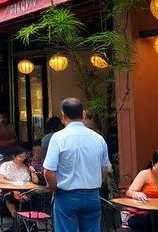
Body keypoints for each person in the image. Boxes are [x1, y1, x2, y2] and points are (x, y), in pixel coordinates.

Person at [44, 98, 111, 232]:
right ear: (83, 115)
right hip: (92, 194)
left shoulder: (58, 138)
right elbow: (104, 170)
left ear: (63, 116)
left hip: (66, 195)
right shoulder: (98, 139)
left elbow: (48, 172)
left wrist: (54, 188)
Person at [0, 146, 40, 217]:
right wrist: (14, 184)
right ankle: (16, 218)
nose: (22, 159)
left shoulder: (26, 167)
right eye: (20, 157)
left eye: (24, 157)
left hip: (25, 190)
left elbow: (35, 182)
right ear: (14, 156)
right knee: (9, 196)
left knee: (34, 194)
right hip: (10, 189)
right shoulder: (5, 165)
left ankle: (28, 218)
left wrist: (33, 172)